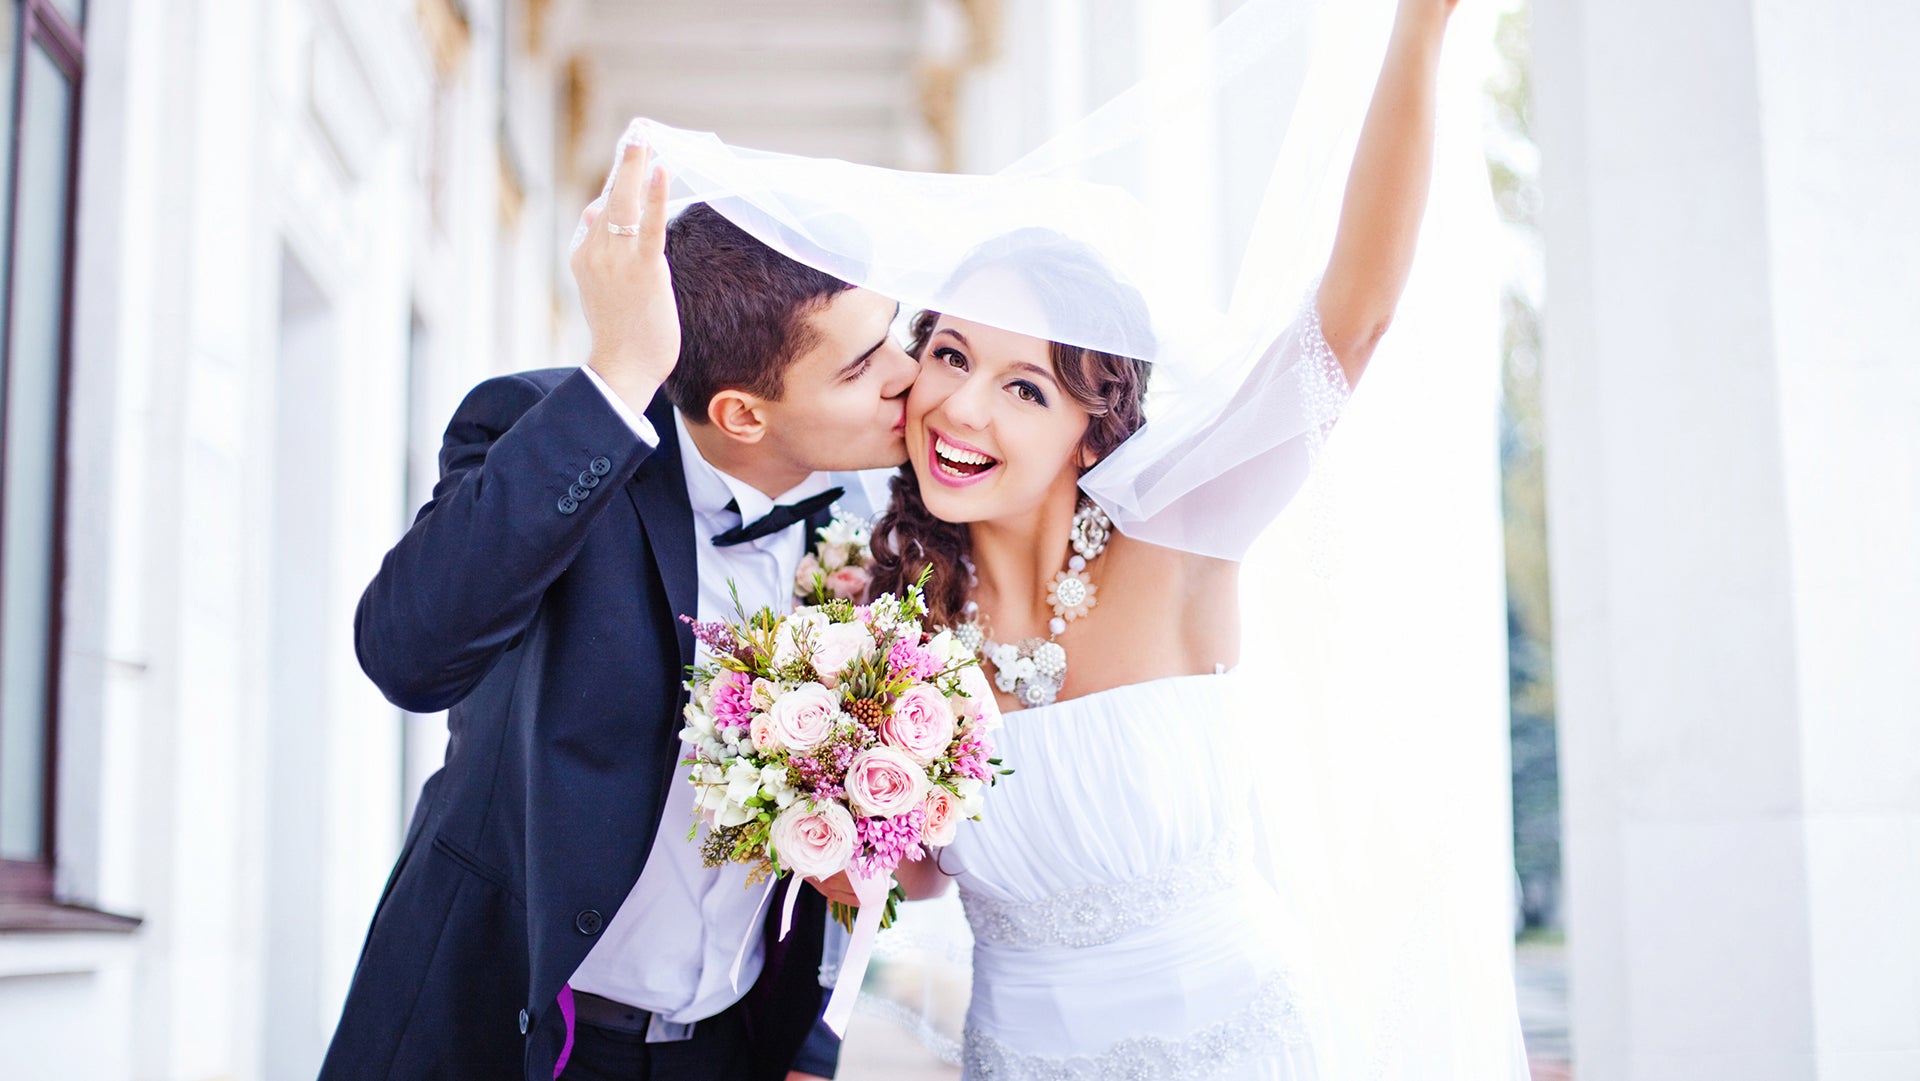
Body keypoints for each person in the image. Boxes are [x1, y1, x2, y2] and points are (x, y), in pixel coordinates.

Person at [862, 0, 1528, 1076]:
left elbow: (1348, 323)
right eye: (949, 355)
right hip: (1019, 1053)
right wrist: (840, 818)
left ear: (1091, 430)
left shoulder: (1174, 539)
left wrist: (1419, 28)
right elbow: (928, 876)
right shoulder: (890, 627)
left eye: (1023, 386)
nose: (962, 410)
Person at [318, 143, 910, 1081]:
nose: (909, 375)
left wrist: (809, 1039)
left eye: (897, 336)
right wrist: (617, 376)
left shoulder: (864, 524)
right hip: (506, 1032)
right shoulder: (553, 430)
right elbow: (406, 654)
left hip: (728, 1051)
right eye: (864, 365)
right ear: (744, 414)